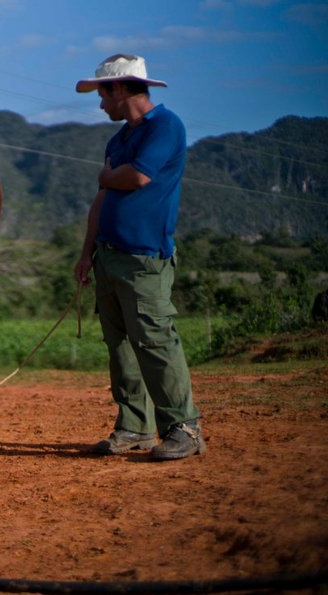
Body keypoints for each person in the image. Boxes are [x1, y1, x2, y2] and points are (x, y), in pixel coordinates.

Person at [73, 54, 206, 461]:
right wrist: (86, 252)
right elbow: (102, 198)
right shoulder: (119, 140)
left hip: (144, 259)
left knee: (154, 341)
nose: (100, 105)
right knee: (120, 347)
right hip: (108, 256)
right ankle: (134, 427)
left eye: (102, 94)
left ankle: (184, 428)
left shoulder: (165, 126)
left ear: (118, 89)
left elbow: (138, 176)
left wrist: (107, 176)